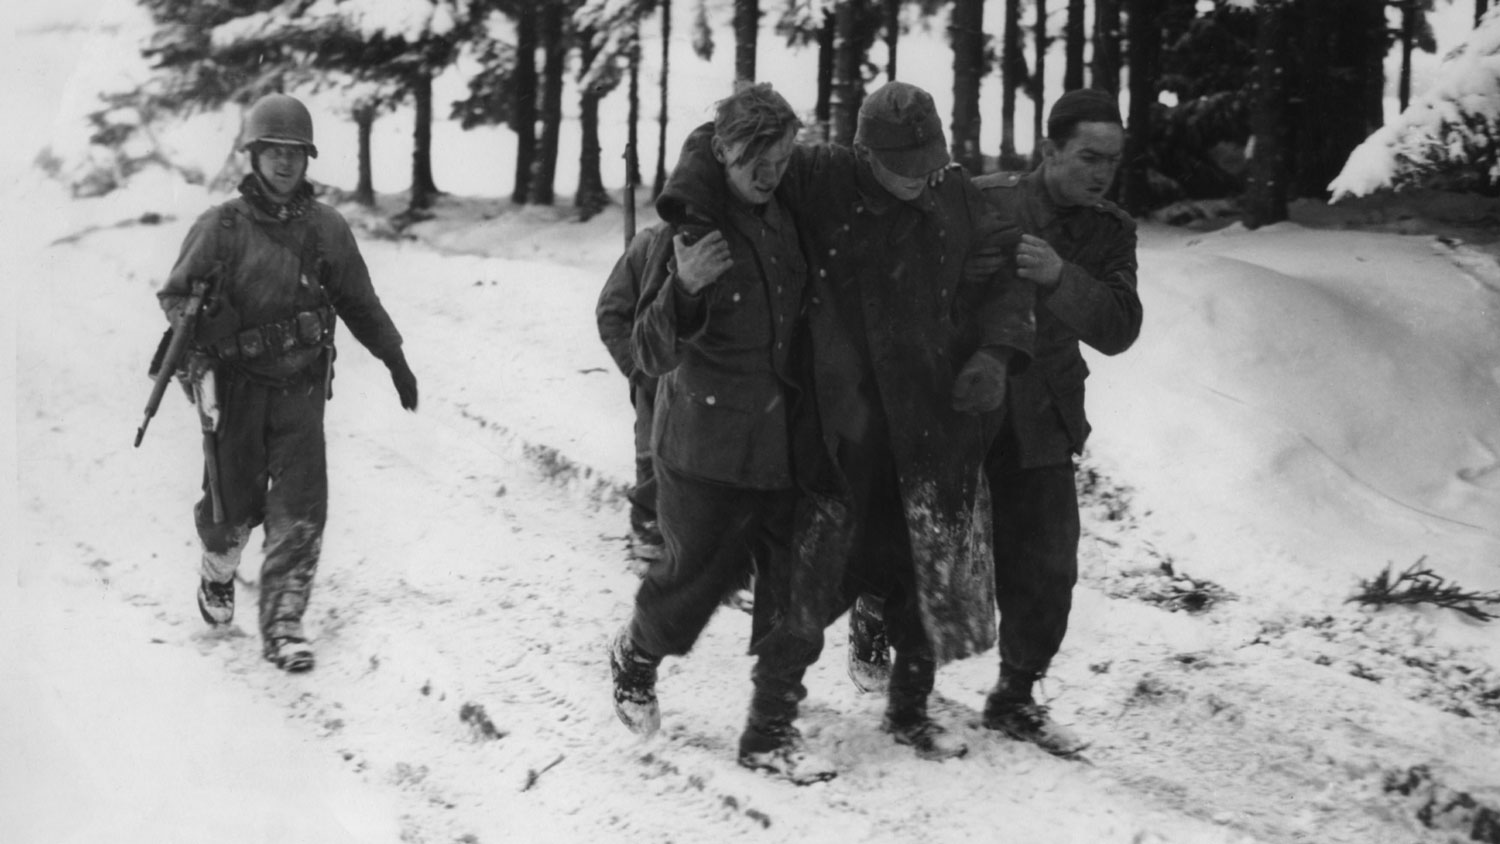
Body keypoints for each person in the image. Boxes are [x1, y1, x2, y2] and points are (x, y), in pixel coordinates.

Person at [661, 81, 1035, 769]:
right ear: (864, 152)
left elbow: (1008, 268)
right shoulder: (819, 174)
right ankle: (768, 730)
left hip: (933, 417)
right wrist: (687, 215)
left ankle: (909, 709)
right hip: (843, 421)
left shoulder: (951, 192)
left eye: (932, 163)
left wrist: (995, 353)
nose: (922, 180)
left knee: (929, 568)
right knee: (812, 581)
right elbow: (718, 153)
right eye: (906, 167)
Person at [849, 88, 1142, 758]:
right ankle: (901, 683)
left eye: (1113, 160)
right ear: (1051, 150)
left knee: (1047, 567)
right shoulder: (984, 197)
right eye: (1089, 156)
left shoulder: (1109, 230)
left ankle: (1014, 697)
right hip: (961, 406)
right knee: (936, 553)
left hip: (1041, 419)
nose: (1102, 172)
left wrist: (1060, 275)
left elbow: (1120, 328)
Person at [606, 84, 831, 782]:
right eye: (758, 158)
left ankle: (769, 734)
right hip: (703, 450)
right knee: (690, 588)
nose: (772, 171)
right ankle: (636, 655)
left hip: (783, 444)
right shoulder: (690, 234)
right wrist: (683, 290)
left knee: (799, 594)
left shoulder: (783, 215)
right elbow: (645, 353)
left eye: (783, 155)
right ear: (726, 154)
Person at [156, 93, 418, 673]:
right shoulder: (220, 227)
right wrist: (202, 322)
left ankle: (283, 625)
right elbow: (175, 294)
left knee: (300, 509)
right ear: (253, 155)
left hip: (300, 386)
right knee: (233, 510)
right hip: (237, 386)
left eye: (294, 152)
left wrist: (393, 357)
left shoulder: (327, 228)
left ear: (307, 160)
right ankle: (218, 569)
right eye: (272, 151)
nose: (283, 163)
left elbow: (358, 301)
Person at [595, 223, 672, 563]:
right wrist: (639, 368)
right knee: (653, 459)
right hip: (658, 385)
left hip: (717, 388)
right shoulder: (650, 245)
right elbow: (612, 314)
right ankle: (648, 532)